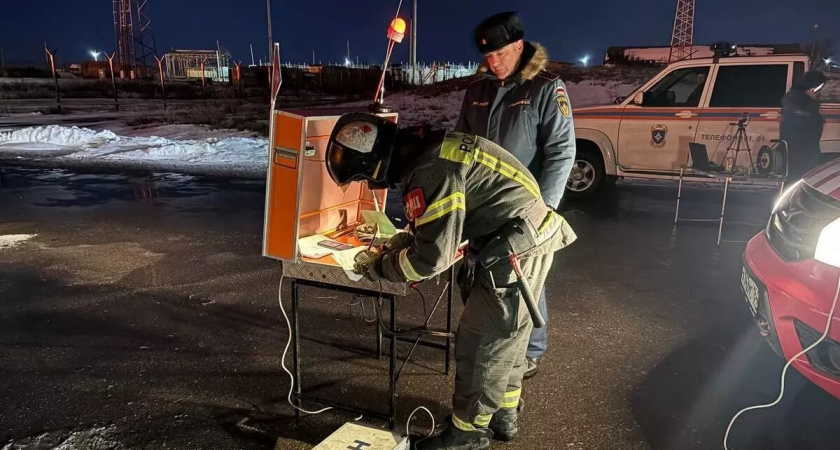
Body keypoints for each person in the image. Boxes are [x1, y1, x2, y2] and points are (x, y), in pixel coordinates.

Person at [324, 112, 576, 449]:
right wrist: (397, 244)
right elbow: (435, 224)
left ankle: (467, 435)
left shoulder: (429, 169)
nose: (370, 186)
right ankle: (504, 414)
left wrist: (380, 268)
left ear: (376, 163)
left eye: (365, 178)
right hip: (520, 236)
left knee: (483, 342)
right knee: (509, 338)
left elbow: (430, 259)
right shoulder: (429, 149)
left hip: (514, 248)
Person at [455, 11, 576, 379]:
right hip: (481, 204)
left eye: (501, 55)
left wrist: (546, 209)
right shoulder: (477, 90)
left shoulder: (544, 88)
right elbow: (459, 144)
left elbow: (561, 151)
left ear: (519, 47)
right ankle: (489, 338)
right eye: (488, 57)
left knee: (524, 277)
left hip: (526, 207)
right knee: (482, 272)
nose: (494, 63)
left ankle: (532, 350)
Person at [780, 70, 827, 180]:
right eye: (818, 89)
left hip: (807, 151)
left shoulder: (799, 101)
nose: (819, 92)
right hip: (799, 153)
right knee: (799, 180)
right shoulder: (795, 100)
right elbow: (804, 126)